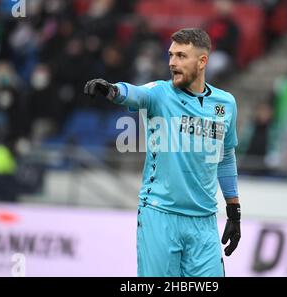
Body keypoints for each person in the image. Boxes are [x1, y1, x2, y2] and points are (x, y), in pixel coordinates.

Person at [84, 28, 241, 277]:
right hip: (160, 215)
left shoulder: (225, 104)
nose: (172, 63)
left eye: (181, 56)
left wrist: (234, 210)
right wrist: (112, 90)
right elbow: (134, 93)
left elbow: (225, 156)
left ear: (202, 61)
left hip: (204, 222)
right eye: (170, 55)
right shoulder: (160, 93)